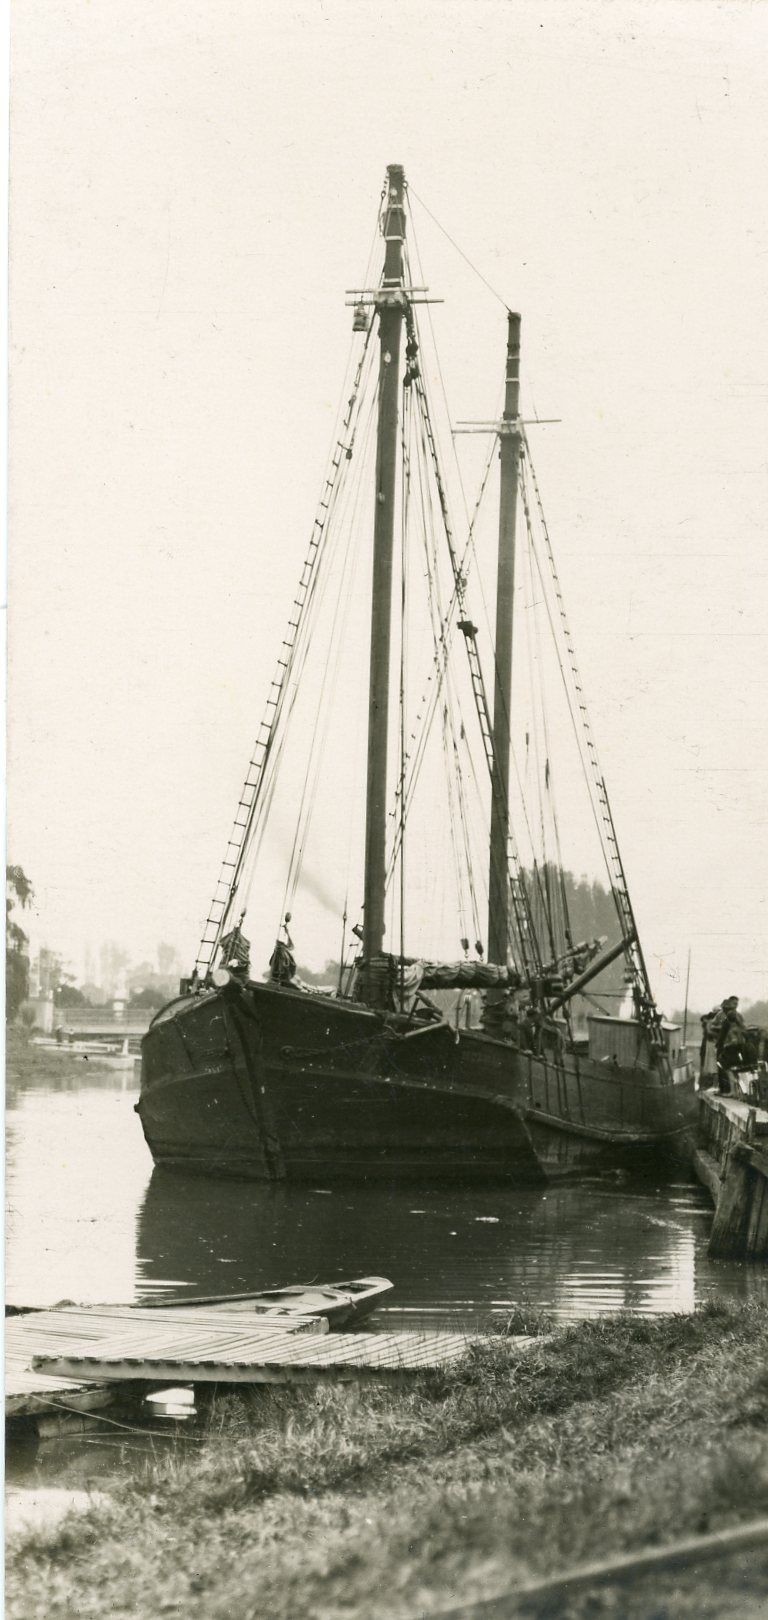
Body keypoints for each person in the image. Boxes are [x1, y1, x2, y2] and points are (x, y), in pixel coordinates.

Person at [716, 996, 746, 1094]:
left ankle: (730, 1090)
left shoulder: (729, 1019)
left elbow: (724, 1035)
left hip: (729, 1046)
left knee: (726, 1067)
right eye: (733, 1004)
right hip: (733, 1045)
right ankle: (734, 1091)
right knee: (732, 1068)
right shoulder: (733, 1017)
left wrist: (721, 1044)